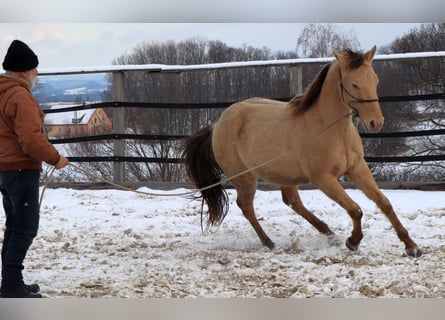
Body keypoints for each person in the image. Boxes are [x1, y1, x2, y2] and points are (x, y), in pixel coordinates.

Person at [0, 39, 69, 298]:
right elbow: (30, 140)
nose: (36, 74)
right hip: (21, 169)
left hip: (5, 170)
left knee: (15, 225)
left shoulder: (3, 93)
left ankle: (12, 280)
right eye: (33, 69)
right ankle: (11, 286)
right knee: (25, 227)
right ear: (23, 72)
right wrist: (55, 159)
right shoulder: (21, 96)